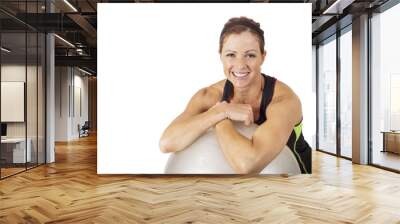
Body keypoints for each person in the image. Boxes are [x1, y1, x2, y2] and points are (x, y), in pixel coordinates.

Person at [159, 16, 311, 174]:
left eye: (250, 55)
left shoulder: (284, 101)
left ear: (263, 57)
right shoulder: (208, 96)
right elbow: (167, 143)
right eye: (231, 55)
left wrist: (220, 119)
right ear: (221, 56)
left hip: (295, 183)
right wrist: (219, 111)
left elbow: (247, 165)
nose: (240, 65)